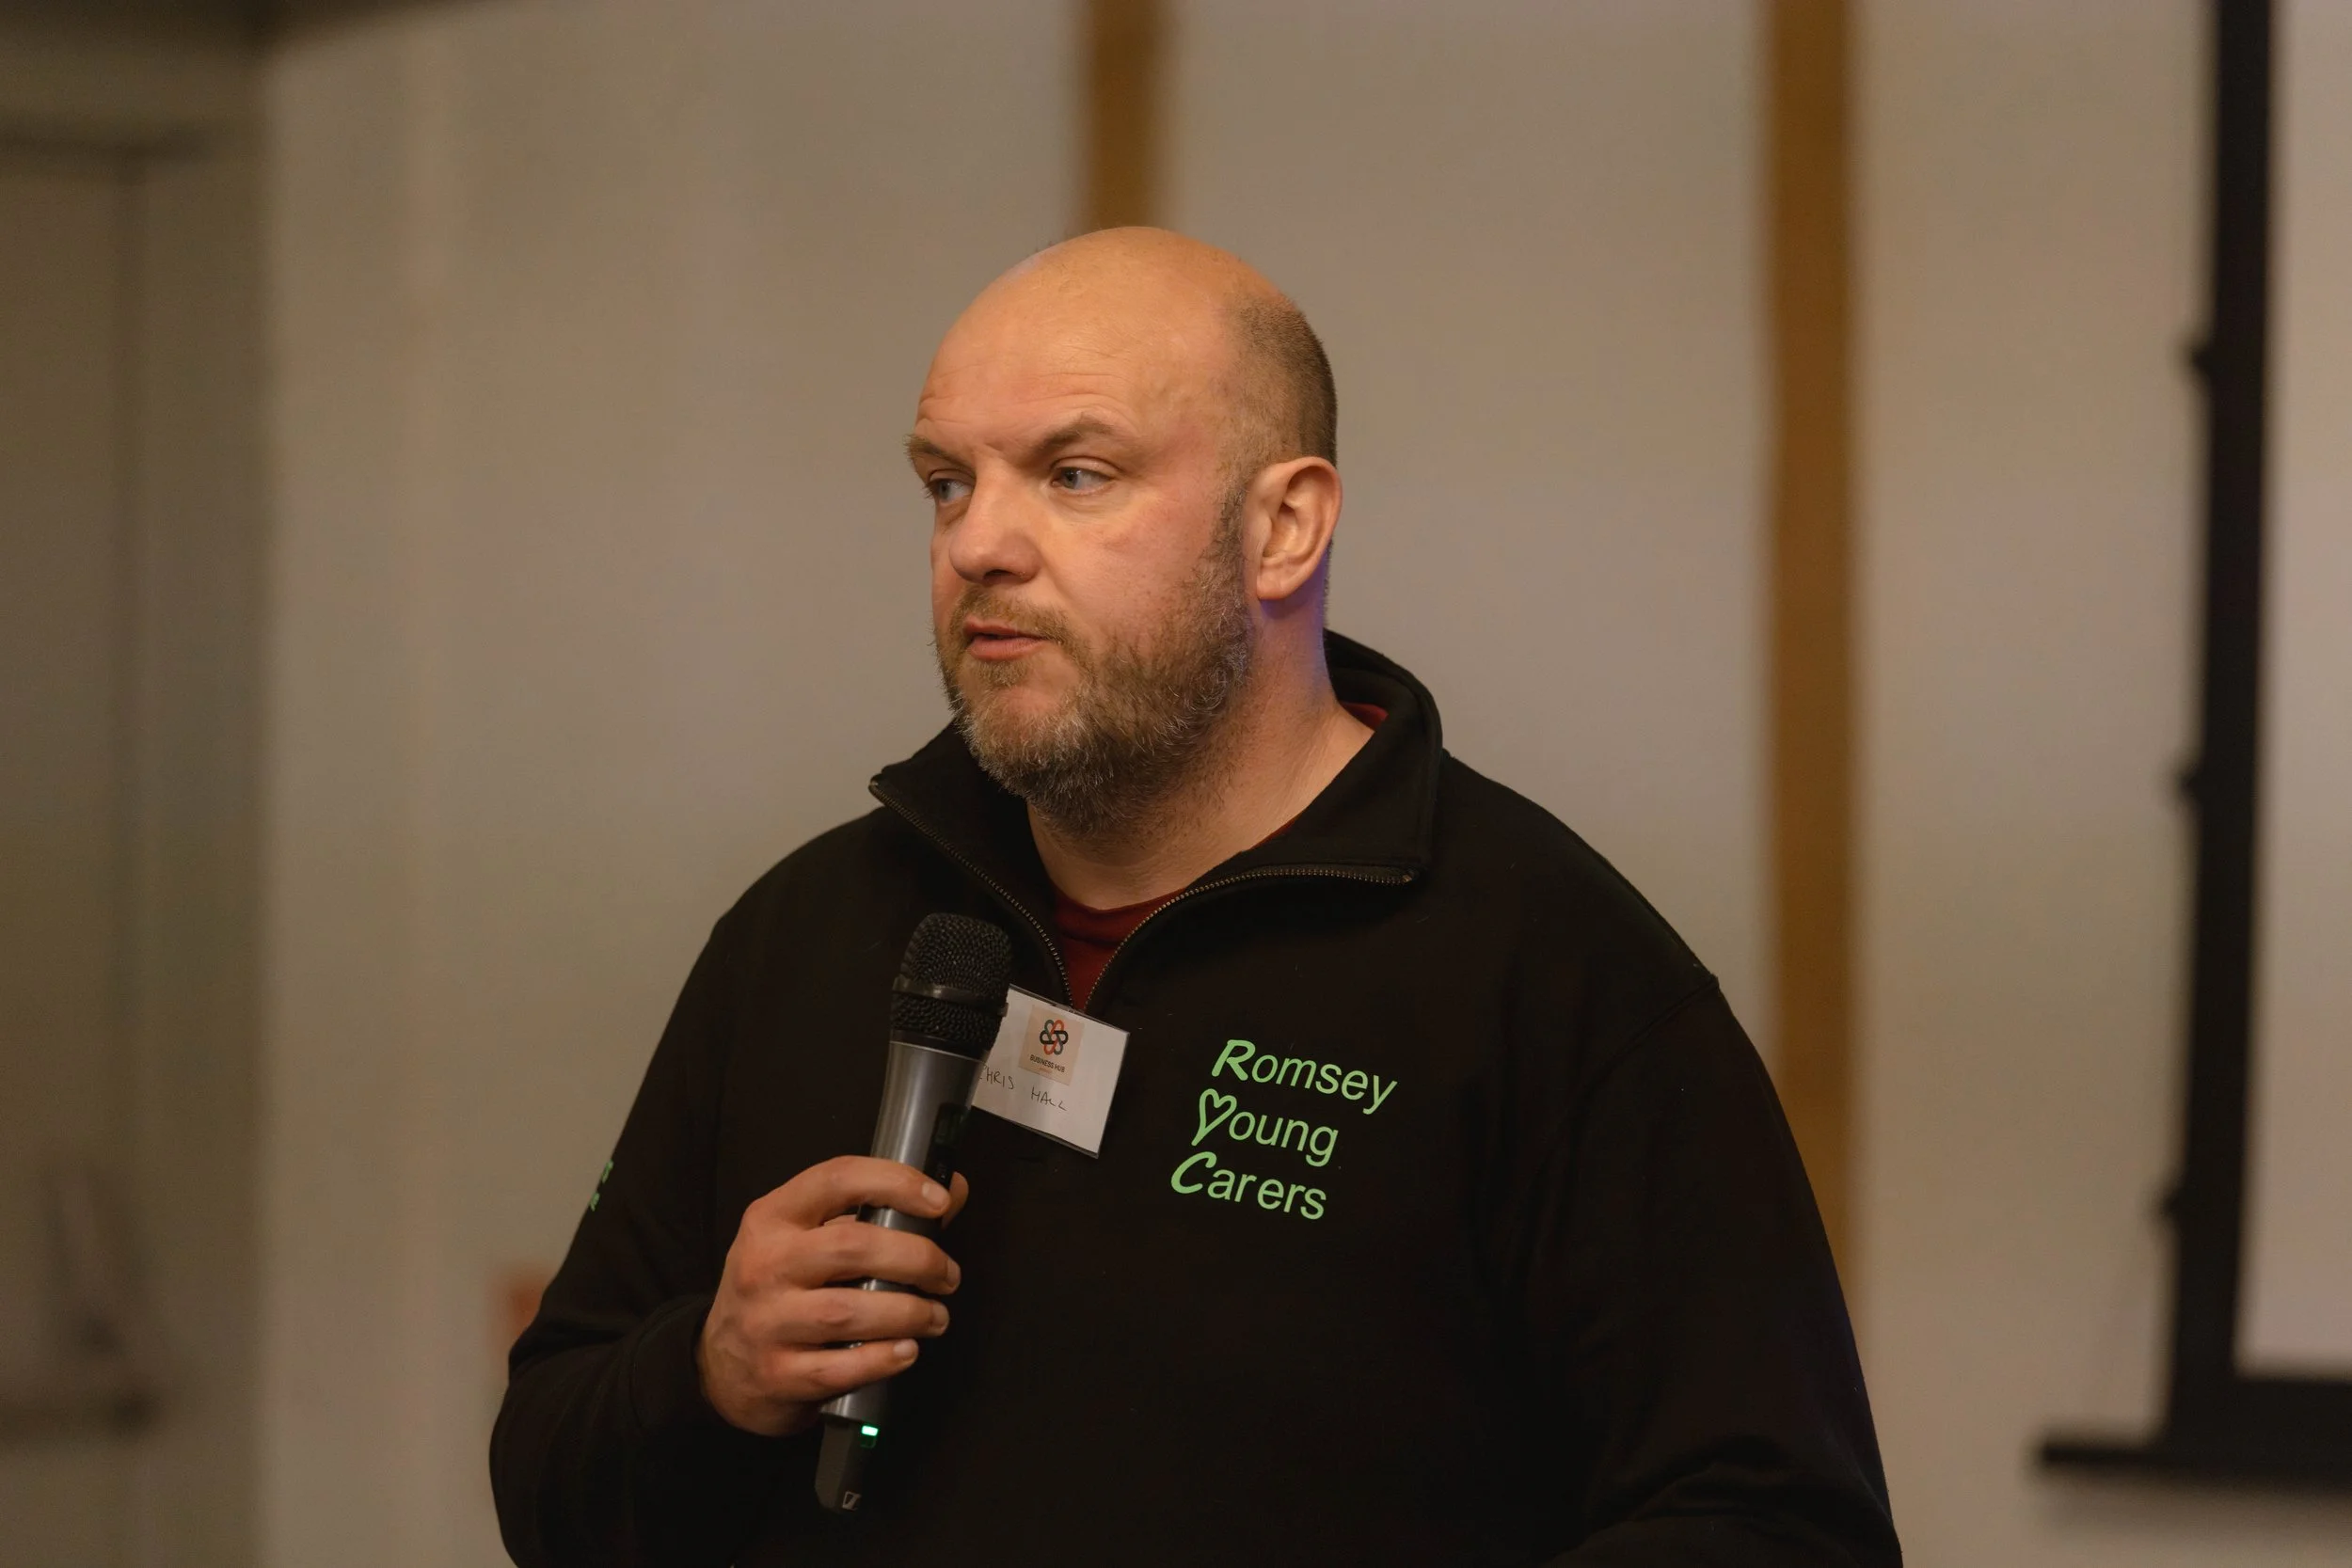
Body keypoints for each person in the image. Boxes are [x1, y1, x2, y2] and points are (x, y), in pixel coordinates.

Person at [490, 228, 1900, 1567]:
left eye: (1076, 474)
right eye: (946, 483)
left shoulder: (1555, 975)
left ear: (1283, 526)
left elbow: (1776, 1529)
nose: (980, 541)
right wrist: (708, 1375)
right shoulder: (808, 933)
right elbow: (549, 1475)